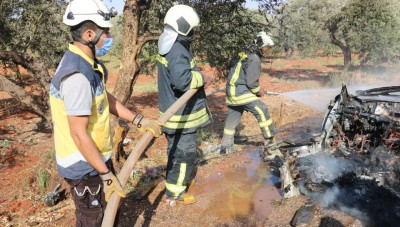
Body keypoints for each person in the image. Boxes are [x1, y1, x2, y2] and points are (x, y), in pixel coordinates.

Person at [49, 0, 163, 225]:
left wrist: (139, 120)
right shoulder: (77, 76)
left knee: (111, 211)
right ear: (90, 34)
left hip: (96, 159)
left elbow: (104, 97)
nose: (110, 36)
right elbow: (79, 134)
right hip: (83, 167)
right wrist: (106, 175)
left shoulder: (90, 64)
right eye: (107, 31)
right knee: (95, 219)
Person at [156, 4, 212, 205]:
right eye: (192, 29)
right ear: (183, 27)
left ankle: (173, 185)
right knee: (184, 154)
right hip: (182, 118)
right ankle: (175, 193)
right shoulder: (177, 49)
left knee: (175, 151)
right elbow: (182, 81)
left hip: (173, 114)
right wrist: (201, 76)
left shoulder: (167, 44)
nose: (193, 33)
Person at [220, 31, 276, 155]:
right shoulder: (254, 58)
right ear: (259, 45)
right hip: (241, 92)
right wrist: (258, 91)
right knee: (262, 110)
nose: (266, 51)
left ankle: (225, 146)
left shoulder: (243, 53)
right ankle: (270, 142)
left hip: (232, 92)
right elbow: (252, 83)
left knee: (233, 115)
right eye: (265, 48)